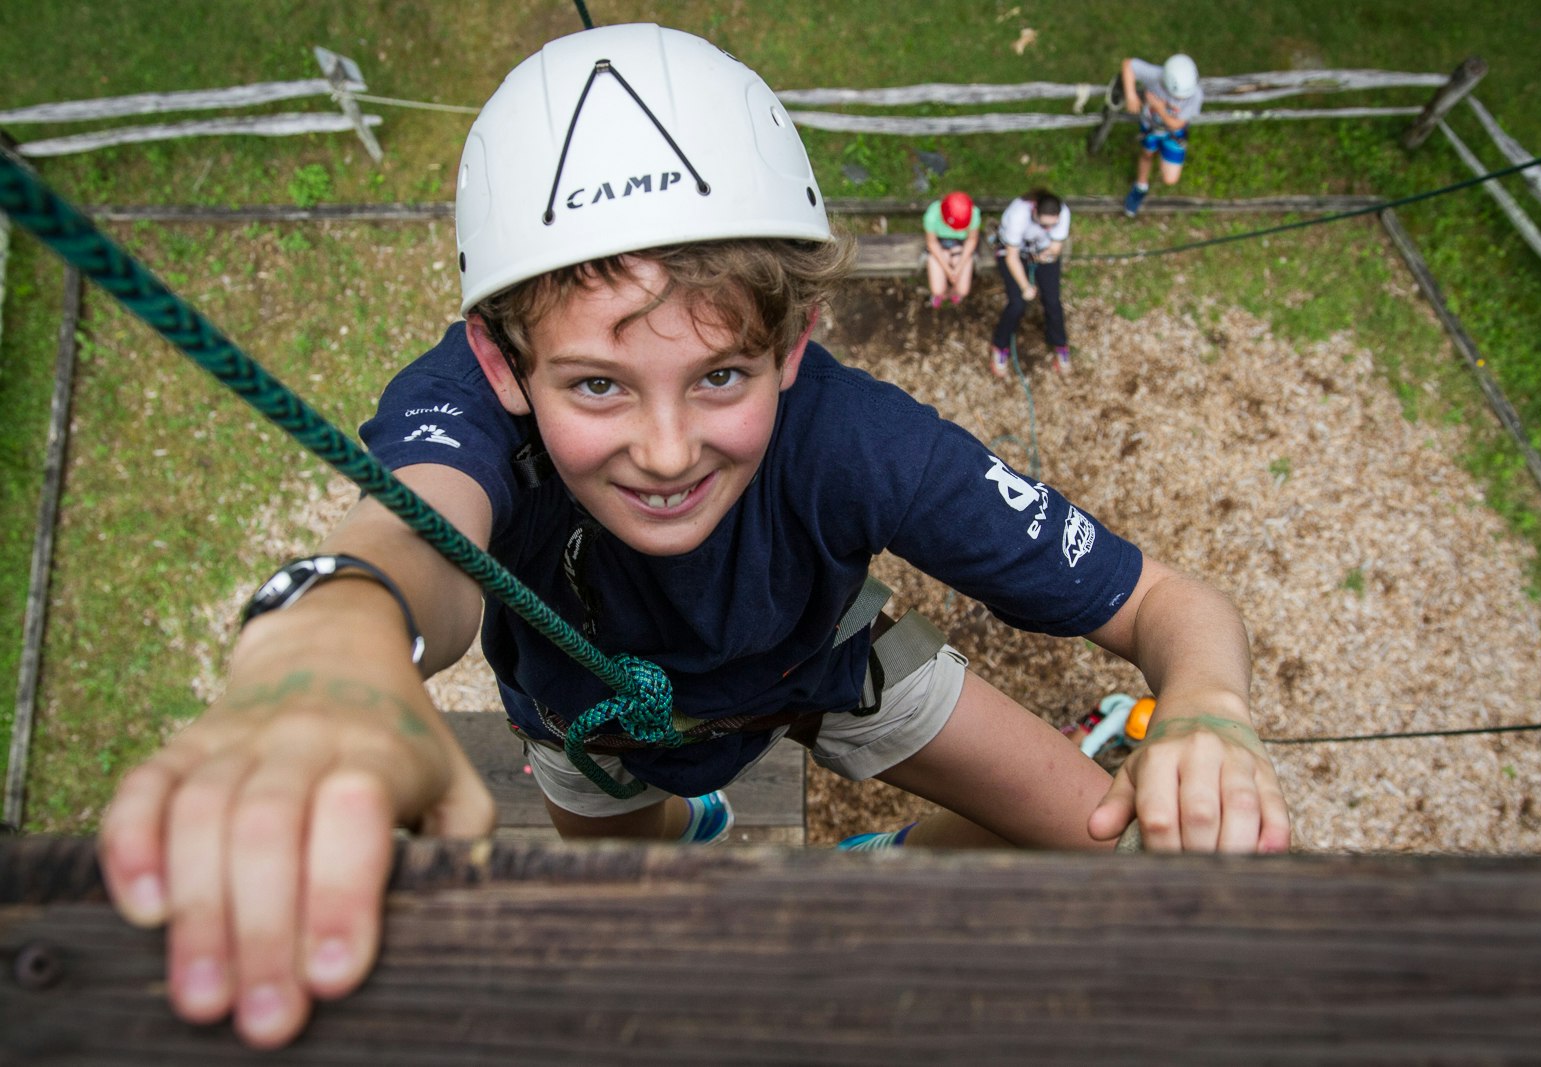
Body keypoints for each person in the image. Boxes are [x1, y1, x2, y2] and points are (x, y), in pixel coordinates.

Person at [97, 24, 1290, 1050]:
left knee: (1094, 829)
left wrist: (1207, 709)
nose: (666, 451)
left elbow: (1169, 607)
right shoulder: (462, 410)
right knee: (646, 861)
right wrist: (337, 631)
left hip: (823, 661)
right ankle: (698, 821)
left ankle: (886, 867)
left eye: (719, 373)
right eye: (598, 386)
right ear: (501, 365)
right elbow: (415, 534)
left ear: (792, 344)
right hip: (596, 717)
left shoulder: (854, 440)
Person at [989, 188, 1071, 377]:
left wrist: (1045, 255)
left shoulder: (1062, 212)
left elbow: (1056, 246)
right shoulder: (1018, 215)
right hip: (1013, 252)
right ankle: (1000, 345)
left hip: (1040, 253)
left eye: (1053, 226)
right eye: (1044, 225)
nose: (1048, 230)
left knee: (1052, 300)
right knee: (1017, 302)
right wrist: (1026, 286)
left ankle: (1060, 343)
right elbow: (1011, 257)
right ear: (1034, 212)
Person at [1120, 54, 1203, 218]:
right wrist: (1130, 95)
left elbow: (1176, 124)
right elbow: (1128, 64)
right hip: (1150, 127)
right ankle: (1141, 186)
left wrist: (1159, 108)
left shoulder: (1195, 95)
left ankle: (1161, 159)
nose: (1179, 99)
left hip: (1173, 134)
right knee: (1146, 154)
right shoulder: (1155, 75)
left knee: (1170, 179)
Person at [922, 190, 981, 308]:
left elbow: (971, 239)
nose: (958, 231)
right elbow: (932, 242)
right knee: (937, 289)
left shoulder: (973, 213)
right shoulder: (932, 216)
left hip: (962, 245)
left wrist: (958, 268)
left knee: (963, 290)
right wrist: (948, 270)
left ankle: (953, 293)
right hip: (939, 245)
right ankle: (941, 295)